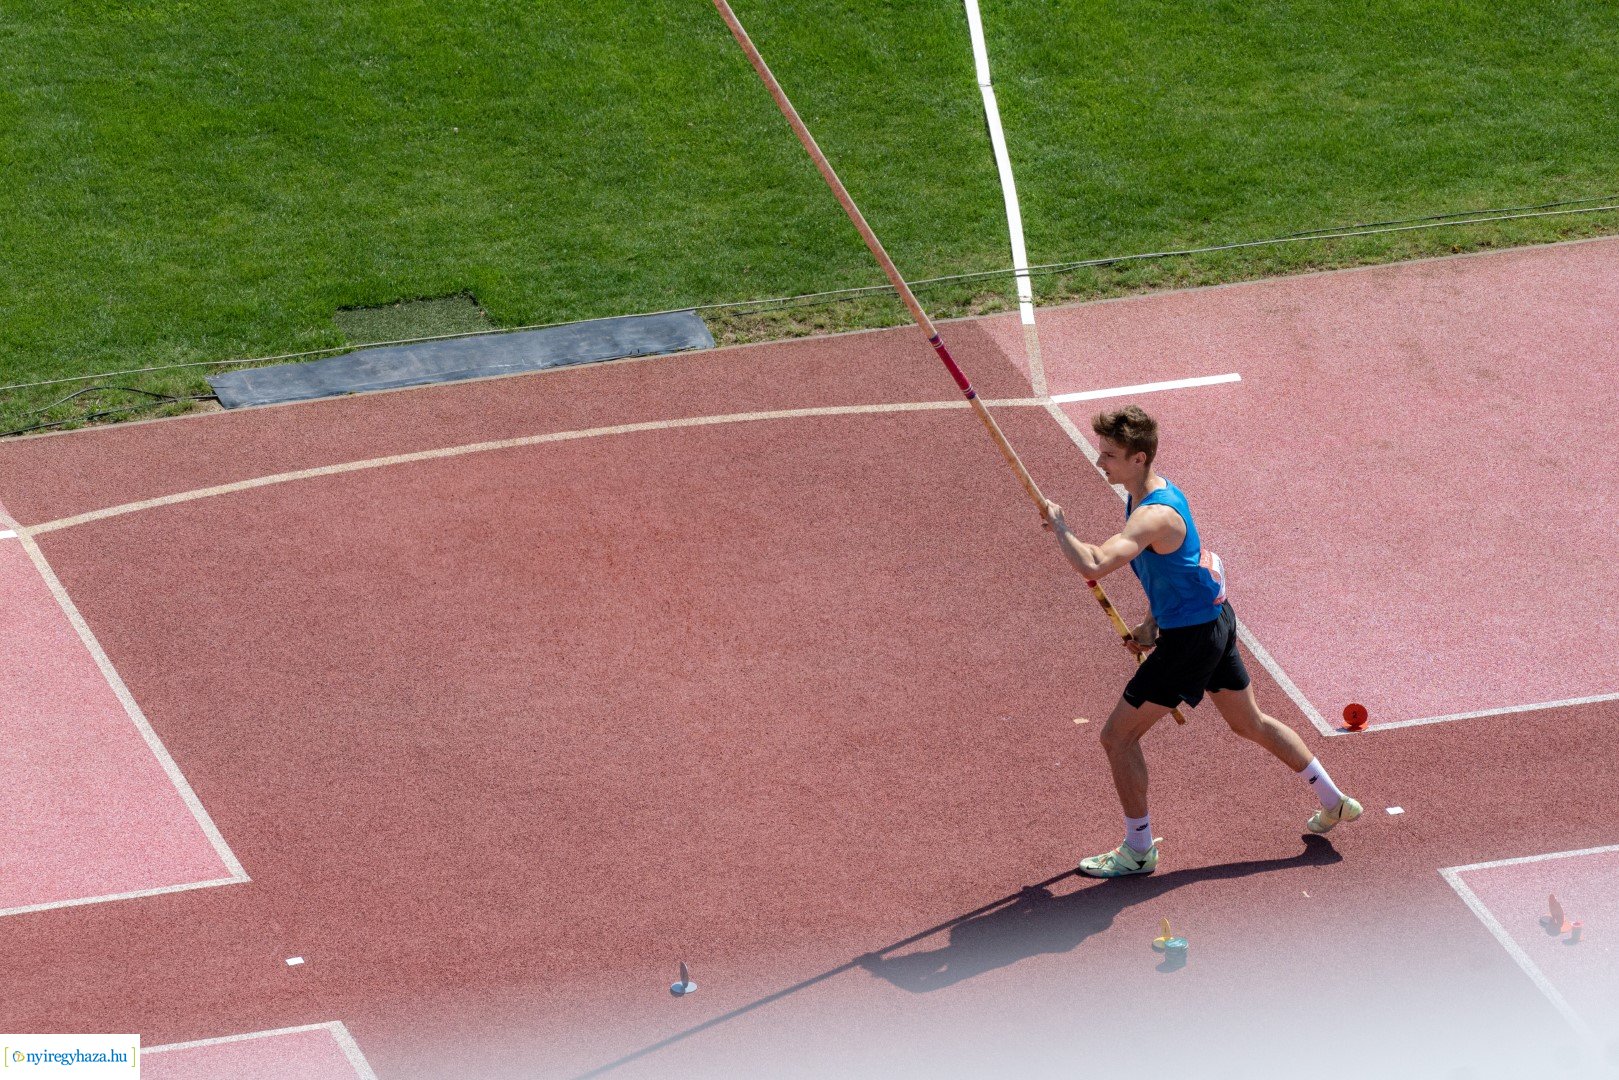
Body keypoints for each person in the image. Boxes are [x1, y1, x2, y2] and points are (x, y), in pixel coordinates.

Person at [1044, 405, 1360, 878]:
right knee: (1249, 723)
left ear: (1139, 457)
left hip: (1192, 640)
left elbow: (1093, 563)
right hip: (1209, 624)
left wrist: (1062, 528)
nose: (1099, 462)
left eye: (1109, 454)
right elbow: (1189, 570)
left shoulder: (1154, 515)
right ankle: (1334, 801)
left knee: (1117, 737)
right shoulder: (1149, 493)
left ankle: (1137, 850)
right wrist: (1154, 623)